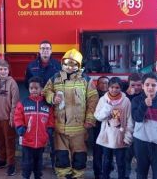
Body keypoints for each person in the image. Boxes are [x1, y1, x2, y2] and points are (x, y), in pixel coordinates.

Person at [43, 49, 99, 179]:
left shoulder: (86, 80)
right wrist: (52, 97)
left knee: (79, 155)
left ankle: (78, 176)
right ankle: (63, 175)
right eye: (67, 63)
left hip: (79, 127)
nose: (69, 67)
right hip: (60, 127)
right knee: (61, 155)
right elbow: (45, 92)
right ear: (62, 63)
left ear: (79, 66)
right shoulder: (54, 78)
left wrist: (90, 118)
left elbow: (93, 100)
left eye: (74, 64)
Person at [24, 40, 61, 170]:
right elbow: (26, 84)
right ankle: (35, 164)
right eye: (42, 48)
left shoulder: (58, 65)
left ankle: (55, 163)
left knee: (53, 135)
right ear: (39, 50)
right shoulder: (31, 65)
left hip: (52, 104)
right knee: (36, 132)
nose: (45, 50)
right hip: (37, 104)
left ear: (51, 51)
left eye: (47, 48)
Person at [14, 76, 55, 179]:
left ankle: (38, 176)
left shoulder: (46, 104)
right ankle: (26, 176)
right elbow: (18, 116)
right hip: (27, 140)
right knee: (27, 163)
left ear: (41, 89)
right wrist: (20, 127)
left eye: (36, 88)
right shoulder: (23, 102)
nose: (34, 90)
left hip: (41, 141)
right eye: (31, 88)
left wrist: (49, 129)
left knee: (39, 163)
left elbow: (51, 118)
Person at [94, 77, 133, 179]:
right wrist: (107, 108)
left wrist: (128, 137)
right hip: (107, 135)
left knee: (121, 162)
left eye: (117, 87)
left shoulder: (126, 101)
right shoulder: (103, 100)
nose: (114, 90)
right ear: (108, 87)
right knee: (106, 161)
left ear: (121, 88)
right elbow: (98, 116)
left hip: (121, 135)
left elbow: (130, 120)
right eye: (112, 87)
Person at [0, 59, 20, 176]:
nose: (2, 71)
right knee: (0, 140)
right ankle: (2, 159)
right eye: (0, 69)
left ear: (8, 71)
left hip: (7, 118)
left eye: (5, 69)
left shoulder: (12, 83)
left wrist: (12, 117)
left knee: (9, 141)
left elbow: (15, 102)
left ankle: (11, 163)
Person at [124, 73, 143, 178]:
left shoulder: (145, 96)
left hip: (140, 133)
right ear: (128, 84)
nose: (136, 88)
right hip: (126, 132)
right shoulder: (124, 95)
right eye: (133, 85)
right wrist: (127, 96)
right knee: (125, 159)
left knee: (140, 161)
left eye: (138, 85)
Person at [92, 76, 110, 179]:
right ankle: (97, 173)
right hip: (98, 127)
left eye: (106, 83)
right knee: (98, 151)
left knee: (108, 150)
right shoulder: (94, 96)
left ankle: (107, 172)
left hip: (110, 128)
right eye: (101, 83)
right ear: (97, 85)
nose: (104, 85)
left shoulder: (113, 95)